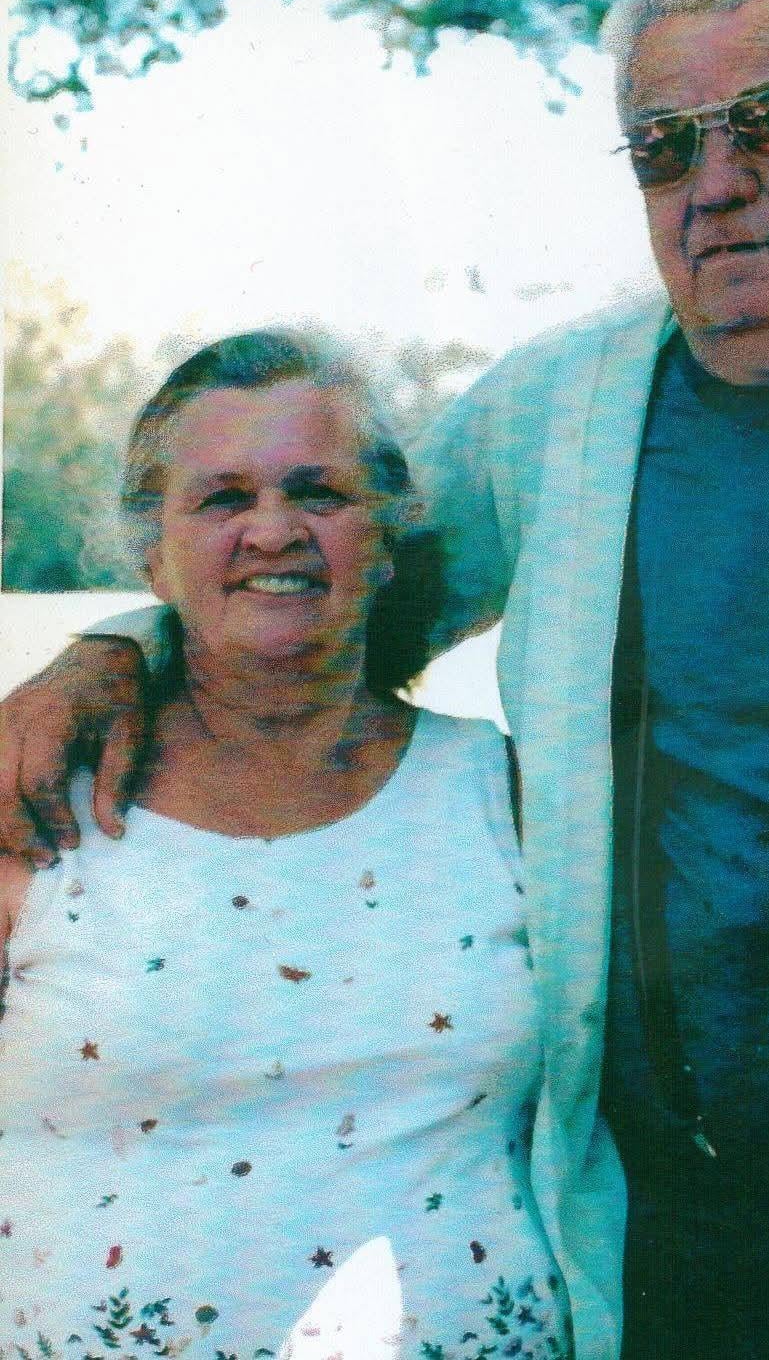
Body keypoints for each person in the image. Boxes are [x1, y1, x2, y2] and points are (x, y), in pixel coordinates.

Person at [2, 0, 769, 1359]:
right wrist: (112, 654)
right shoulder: (556, 417)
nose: (715, 183)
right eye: (663, 148)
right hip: (721, 1221)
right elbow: (314, 571)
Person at [0, 332, 591, 1360]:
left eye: (319, 493)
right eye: (222, 500)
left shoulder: (507, 794)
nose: (274, 530)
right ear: (152, 549)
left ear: (392, 533)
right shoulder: (36, 804)